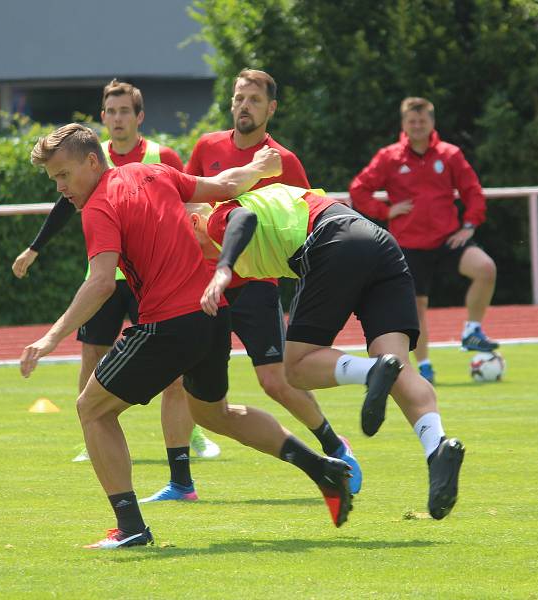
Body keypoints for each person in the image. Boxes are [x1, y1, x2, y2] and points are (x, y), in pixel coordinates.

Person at [20, 123, 354, 549]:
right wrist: (259, 164)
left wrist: (49, 338)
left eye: (64, 175)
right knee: (215, 414)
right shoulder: (150, 172)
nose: (62, 187)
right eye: (54, 180)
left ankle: (131, 527)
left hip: (168, 324)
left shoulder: (99, 206)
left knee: (92, 409)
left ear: (91, 161)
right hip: (211, 316)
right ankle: (323, 468)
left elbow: (101, 282)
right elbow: (225, 184)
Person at [141, 68, 363, 504]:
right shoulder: (208, 146)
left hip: (257, 285)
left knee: (276, 382)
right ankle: (181, 483)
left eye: (254, 101)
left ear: (271, 109)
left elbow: (306, 223)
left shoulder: (284, 160)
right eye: (239, 98)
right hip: (208, 284)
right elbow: (188, 197)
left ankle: (335, 446)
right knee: (179, 381)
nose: (245, 106)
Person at [196, 182, 466, 521]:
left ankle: (371, 371)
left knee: (295, 368)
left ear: (194, 222)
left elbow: (243, 219)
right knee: (401, 369)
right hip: (378, 242)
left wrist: (222, 267)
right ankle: (437, 447)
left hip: (331, 240)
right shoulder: (244, 240)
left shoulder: (218, 216)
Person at [12, 79, 221, 462]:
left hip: (154, 282)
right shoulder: (84, 159)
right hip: (109, 275)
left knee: (175, 366)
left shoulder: (160, 157)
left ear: (138, 116)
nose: (118, 117)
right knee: (93, 355)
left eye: (125, 110)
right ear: (103, 116)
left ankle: (189, 434)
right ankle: (90, 436)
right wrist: (35, 248)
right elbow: (65, 207)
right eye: (111, 111)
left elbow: (189, 201)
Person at [349, 97, 498, 385]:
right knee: (416, 308)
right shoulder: (389, 157)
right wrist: (385, 211)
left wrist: (469, 225)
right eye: (412, 121)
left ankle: (472, 330)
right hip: (408, 243)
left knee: (486, 269)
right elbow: (359, 189)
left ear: (432, 122)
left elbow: (473, 191)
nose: (417, 126)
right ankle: (426, 366)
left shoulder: (450, 154)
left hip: (448, 239)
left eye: (422, 121)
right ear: (404, 123)